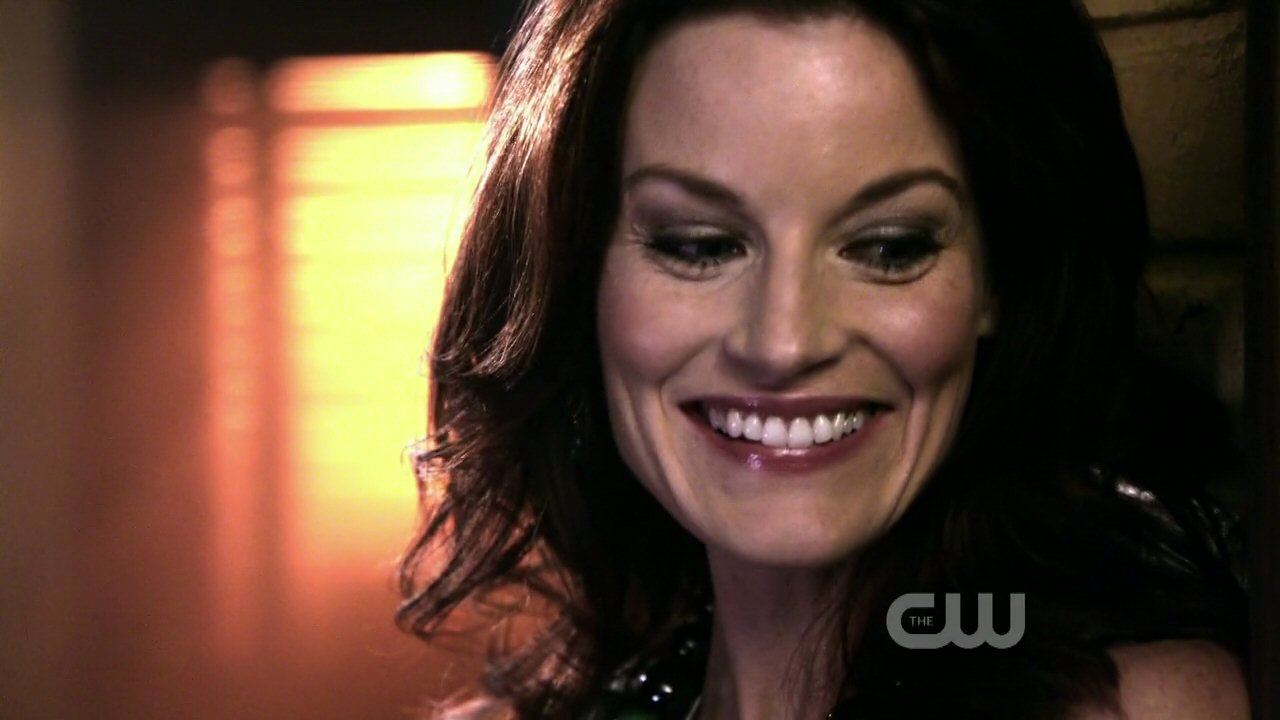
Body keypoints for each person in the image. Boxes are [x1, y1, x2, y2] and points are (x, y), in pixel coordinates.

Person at [397, 0, 1250, 717]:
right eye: (699, 245)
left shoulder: (1130, 704)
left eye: (889, 247)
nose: (784, 343)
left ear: (1003, 280)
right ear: (579, 276)